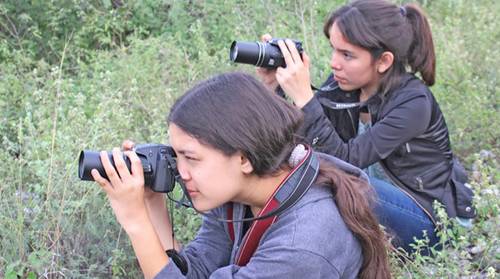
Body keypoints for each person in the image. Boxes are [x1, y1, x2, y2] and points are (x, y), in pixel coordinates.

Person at [91, 72, 391, 278]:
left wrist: (135, 222)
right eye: (176, 155)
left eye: (191, 158)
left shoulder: (302, 245)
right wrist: (152, 203)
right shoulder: (243, 194)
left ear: (244, 158)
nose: (180, 172)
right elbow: (194, 271)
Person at [256, 0, 475, 254]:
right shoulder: (344, 86)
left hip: (430, 222)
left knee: (328, 179)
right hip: (371, 205)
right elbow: (305, 140)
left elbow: (343, 161)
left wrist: (305, 98)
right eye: (334, 50)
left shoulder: (414, 102)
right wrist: (275, 90)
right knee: (299, 168)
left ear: (383, 61)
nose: (334, 63)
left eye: (347, 55)